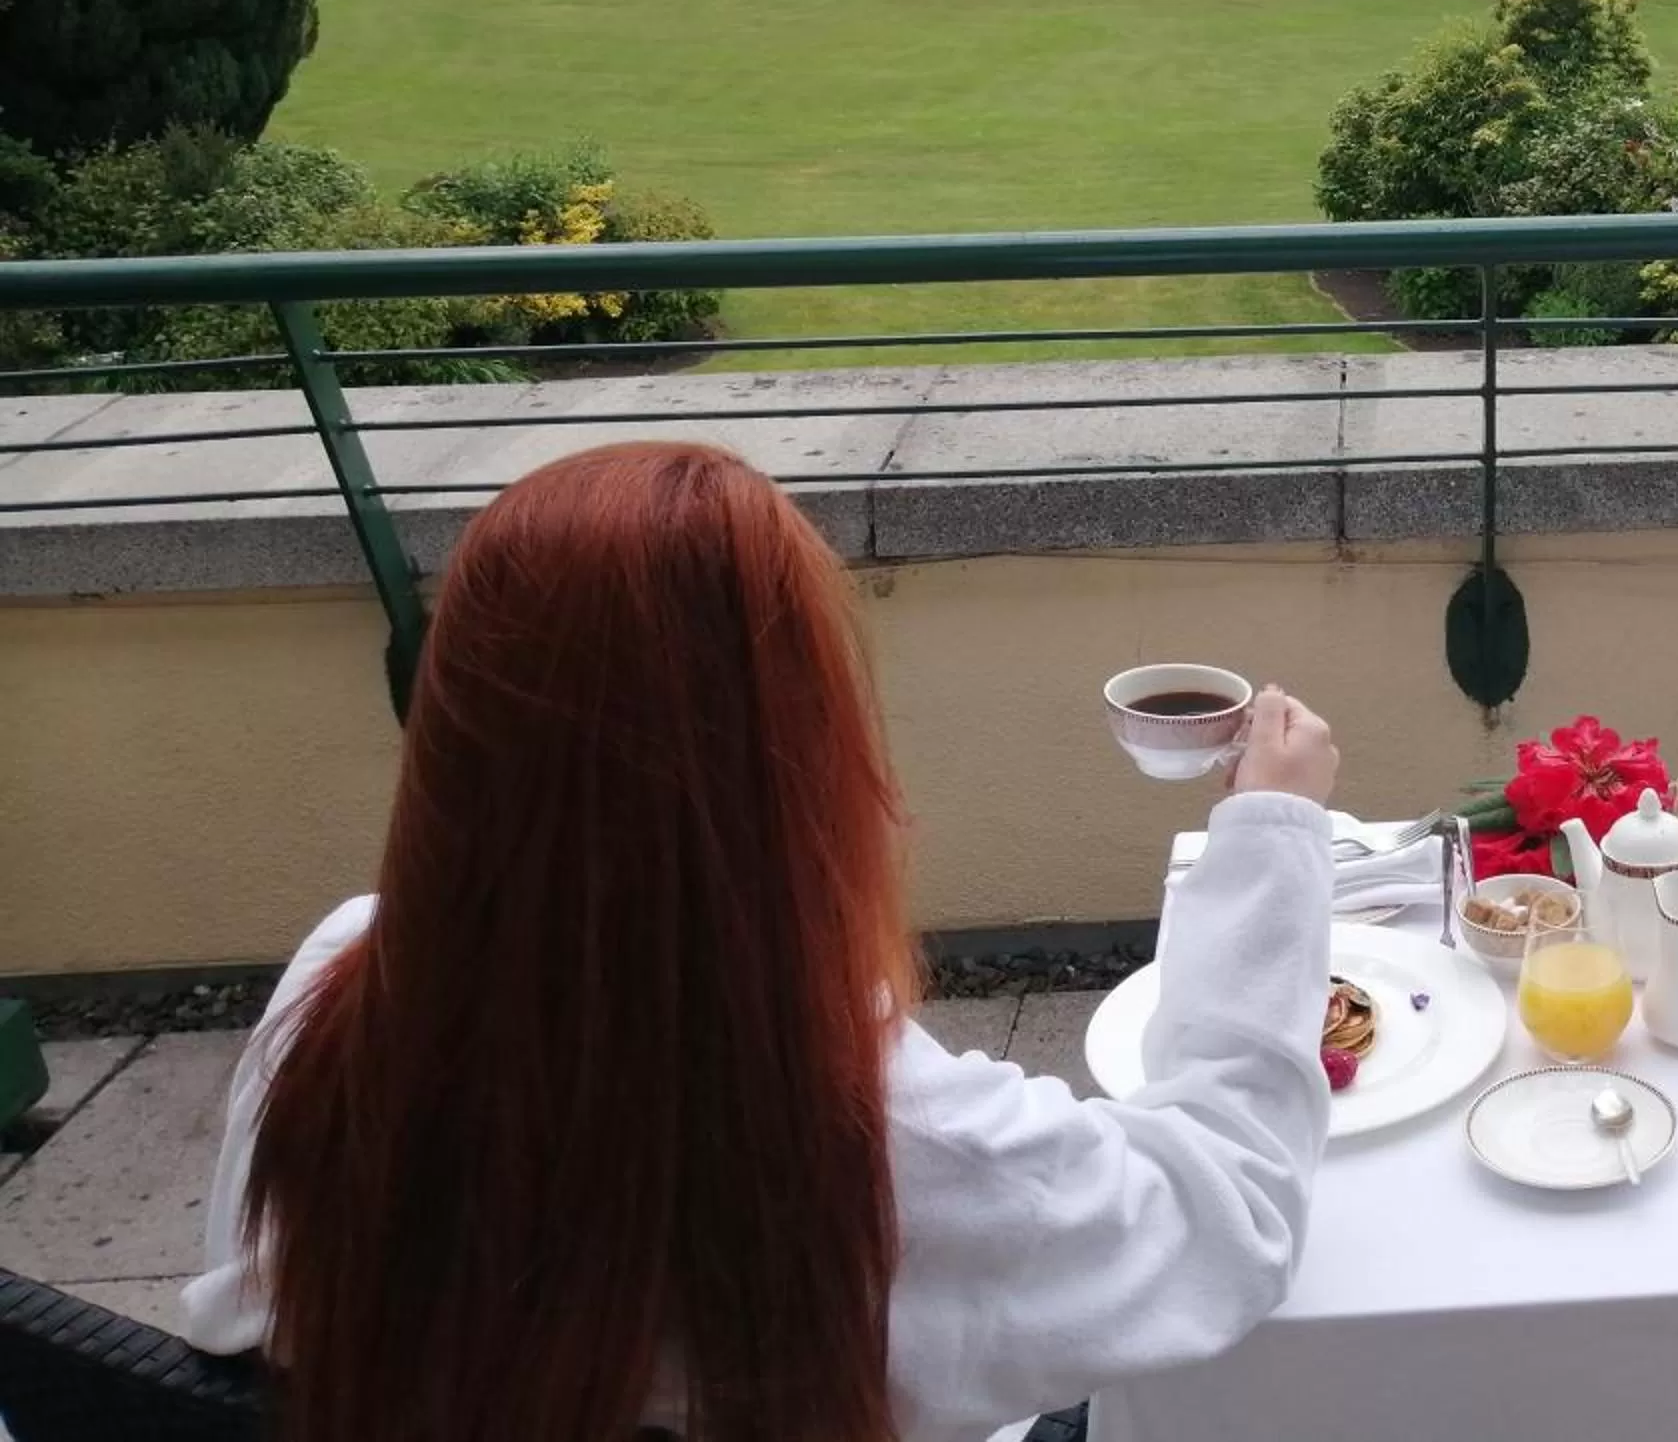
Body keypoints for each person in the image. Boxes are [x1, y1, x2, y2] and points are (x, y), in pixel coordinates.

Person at [181, 441, 1342, 1442]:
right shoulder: (878, 1132)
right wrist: (1269, 834)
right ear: (794, 763)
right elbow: (1225, 1218)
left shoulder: (332, 989)